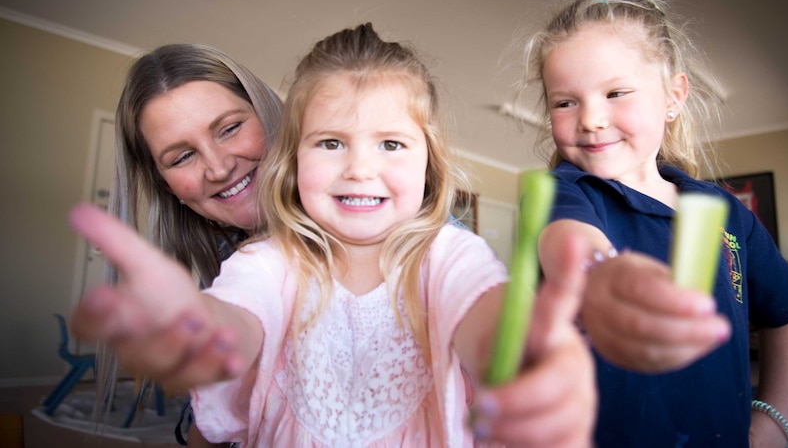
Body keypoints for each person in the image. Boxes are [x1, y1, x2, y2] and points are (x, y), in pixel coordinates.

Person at [69, 23, 597, 447]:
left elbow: (484, 313)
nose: (360, 168)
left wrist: (527, 356)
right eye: (330, 144)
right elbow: (236, 319)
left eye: (391, 144)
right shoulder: (267, 261)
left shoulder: (448, 250)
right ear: (295, 155)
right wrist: (196, 325)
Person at [521, 0, 788, 448]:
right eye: (565, 102)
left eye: (616, 93)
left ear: (674, 97)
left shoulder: (725, 214)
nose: (591, 118)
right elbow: (568, 242)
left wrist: (775, 423)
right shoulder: (565, 191)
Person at [98, 42, 284, 447]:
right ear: (166, 186)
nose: (218, 168)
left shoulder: (394, 233)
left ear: (270, 118)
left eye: (230, 128)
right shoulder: (225, 265)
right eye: (182, 157)